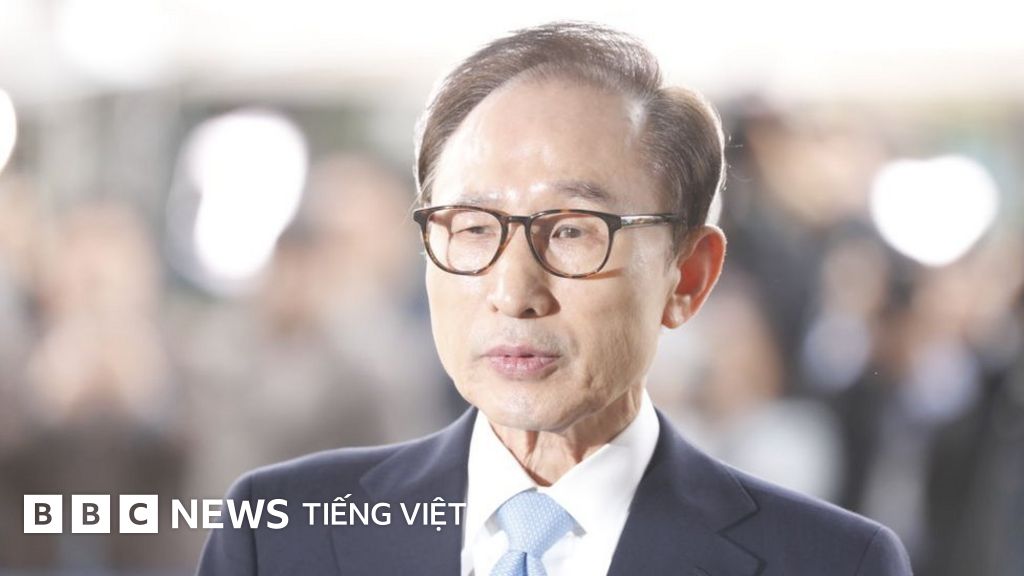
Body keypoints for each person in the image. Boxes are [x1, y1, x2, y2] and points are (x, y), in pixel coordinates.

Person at [197, 21, 912, 576]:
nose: (514, 291)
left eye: (572, 230)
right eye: (473, 227)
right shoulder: (280, 533)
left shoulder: (829, 564)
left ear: (688, 276)